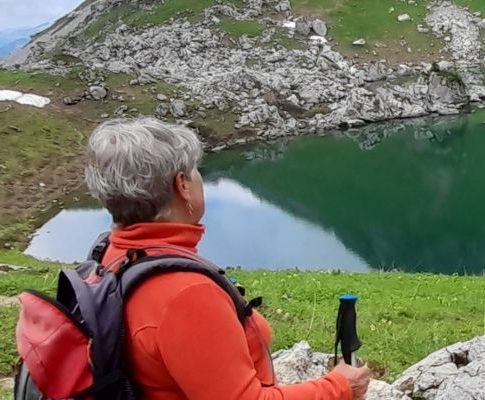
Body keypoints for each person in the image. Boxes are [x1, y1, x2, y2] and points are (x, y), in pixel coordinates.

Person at [83, 117, 373, 400]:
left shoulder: (112, 255)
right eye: (196, 171)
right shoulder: (185, 294)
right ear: (182, 185)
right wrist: (339, 387)